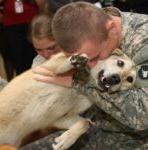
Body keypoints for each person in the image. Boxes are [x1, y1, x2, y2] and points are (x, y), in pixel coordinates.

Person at [32, 2, 148, 149]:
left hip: (131, 141)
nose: (90, 64)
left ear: (112, 29)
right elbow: (39, 68)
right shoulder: (81, 30)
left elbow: (143, 116)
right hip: (85, 127)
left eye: (95, 57)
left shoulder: (144, 38)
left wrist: (78, 82)